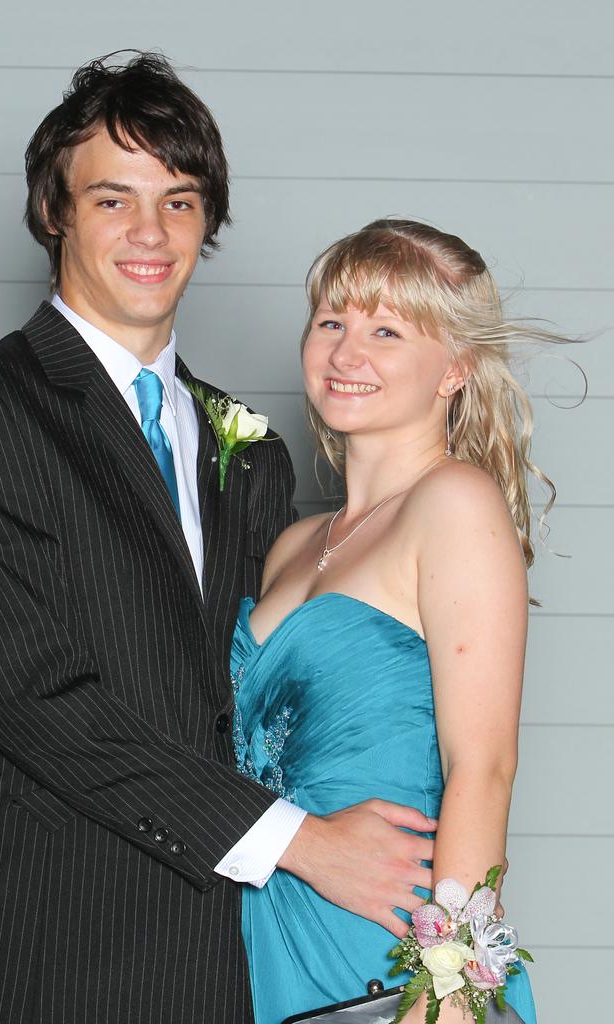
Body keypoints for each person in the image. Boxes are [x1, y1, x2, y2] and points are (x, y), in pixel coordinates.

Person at [0, 57, 436, 1024]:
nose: (151, 233)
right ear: (54, 212)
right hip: (50, 947)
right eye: (115, 198)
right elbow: (35, 697)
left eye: (180, 202)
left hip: (240, 961)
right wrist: (302, 842)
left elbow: (278, 693)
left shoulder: (252, 449)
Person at [232, 219, 546, 1024]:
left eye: (386, 330)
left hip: (388, 947)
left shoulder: (456, 502)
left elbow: (484, 767)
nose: (345, 353)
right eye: (331, 322)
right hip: (270, 927)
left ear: (456, 369)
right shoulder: (296, 545)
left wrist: (450, 992)